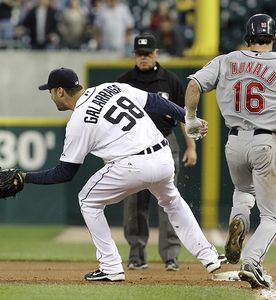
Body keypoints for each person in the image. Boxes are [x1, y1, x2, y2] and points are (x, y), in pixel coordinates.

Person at [22, 67, 226, 282]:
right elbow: (157, 103)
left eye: (51, 91)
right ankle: (209, 256)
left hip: (133, 164)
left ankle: (110, 266)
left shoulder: (78, 121)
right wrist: (188, 118)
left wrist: (25, 177)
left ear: (60, 91)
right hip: (163, 156)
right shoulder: (112, 87)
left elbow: (64, 173)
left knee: (88, 200)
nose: (50, 95)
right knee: (172, 201)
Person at [184, 13, 276, 289]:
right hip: (265, 141)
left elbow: (193, 85)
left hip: (234, 141)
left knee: (243, 192)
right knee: (272, 215)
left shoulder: (227, 60)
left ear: (248, 37)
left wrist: (190, 119)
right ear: (273, 37)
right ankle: (252, 262)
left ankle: (239, 219)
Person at [117, 33, 197, 271]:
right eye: (139, 54)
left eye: (147, 54)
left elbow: (185, 116)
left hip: (164, 142)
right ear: (134, 55)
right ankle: (136, 255)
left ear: (156, 53)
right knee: (134, 202)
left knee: (169, 201)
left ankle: (170, 256)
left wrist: (191, 146)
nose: (143, 58)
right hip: (133, 147)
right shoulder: (123, 82)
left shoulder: (170, 80)